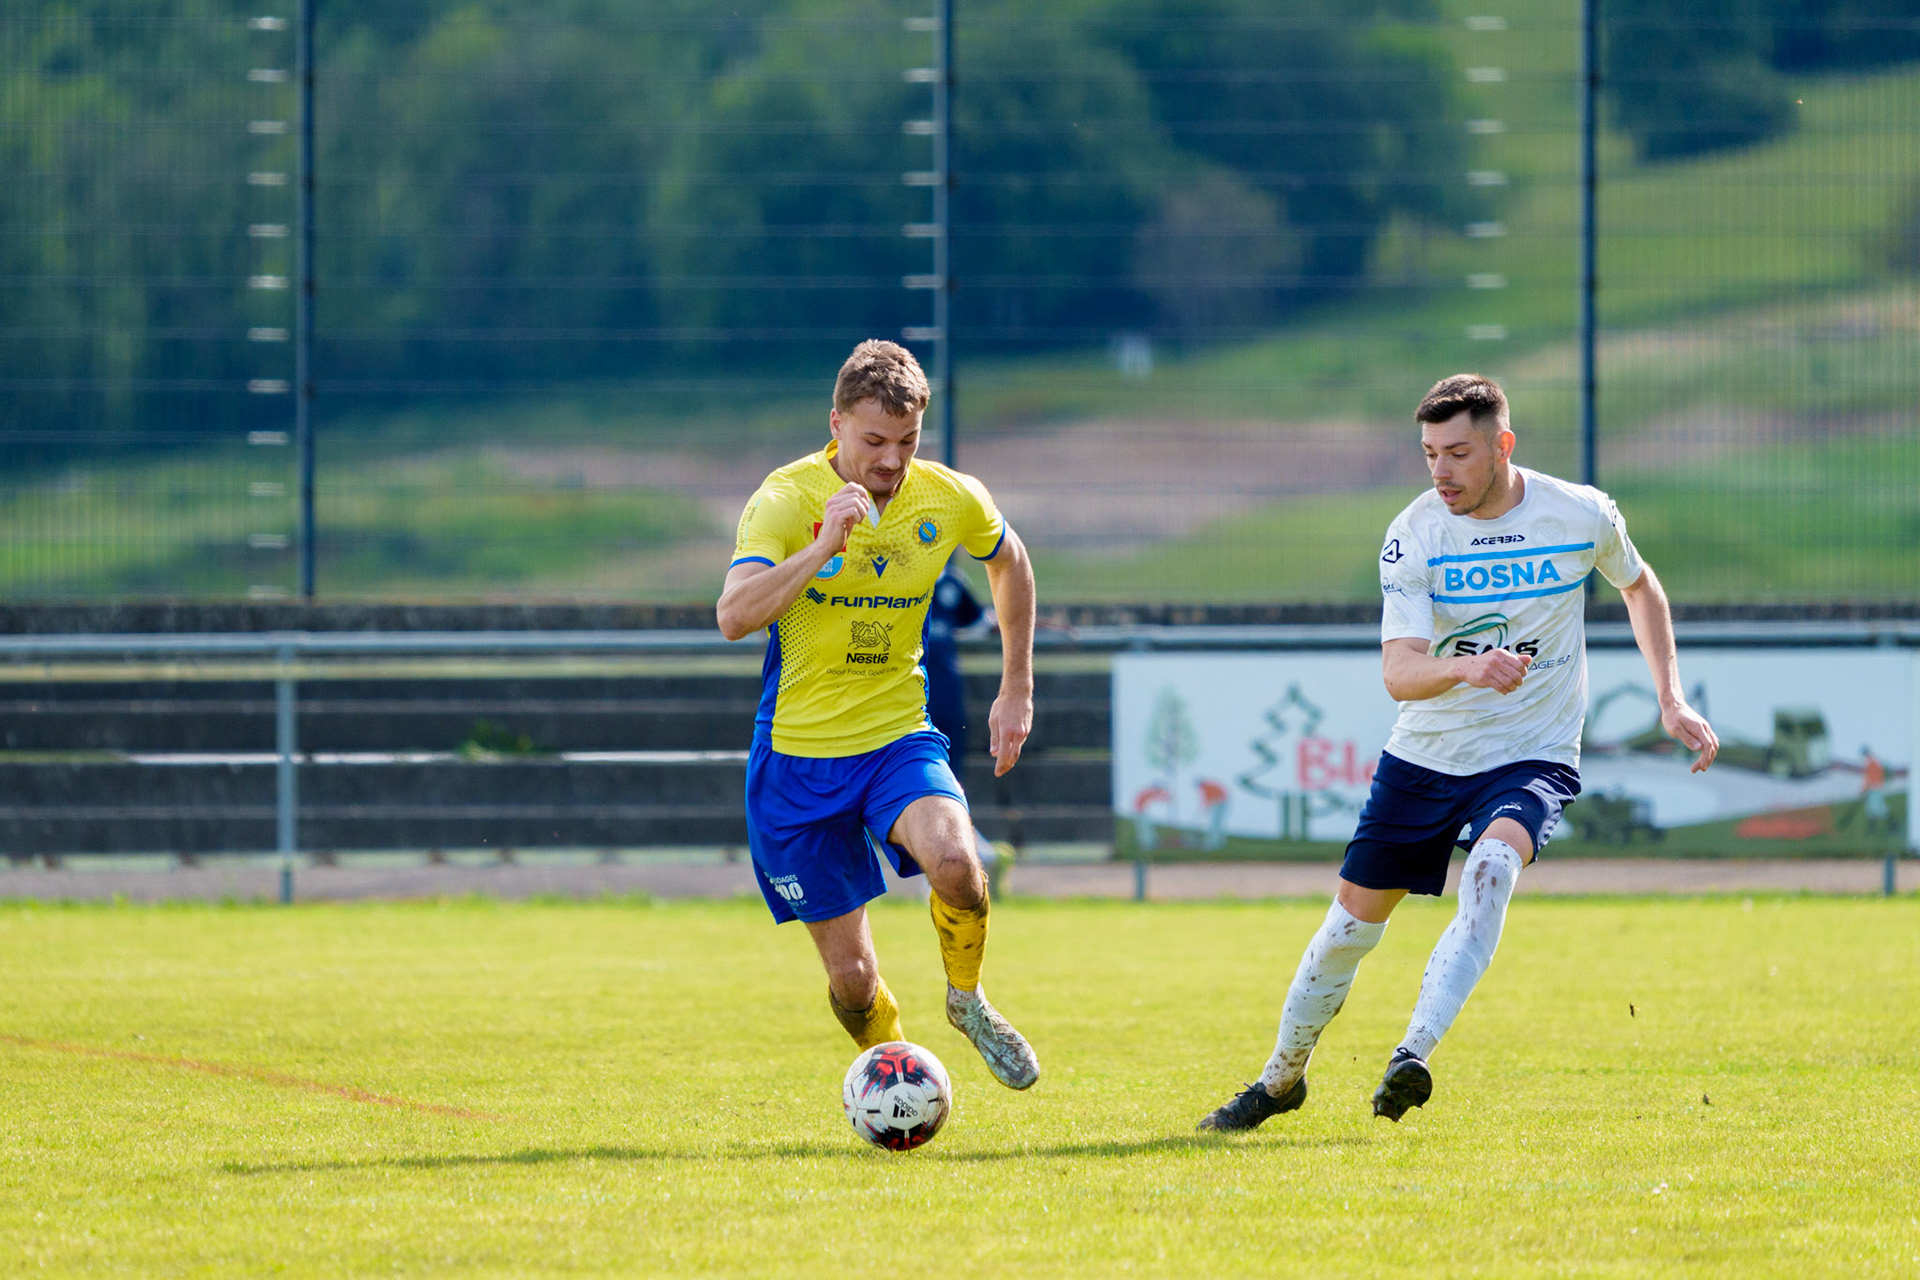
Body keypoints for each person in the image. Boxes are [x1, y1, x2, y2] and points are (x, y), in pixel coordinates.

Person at [1198, 373, 1720, 1131]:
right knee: (1347, 934)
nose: (1441, 471)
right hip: (1428, 757)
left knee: (1492, 867)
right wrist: (1466, 667)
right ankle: (1280, 1081)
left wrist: (1670, 697)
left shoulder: (1580, 514)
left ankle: (1412, 1053)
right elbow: (1398, 674)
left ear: (1502, 446)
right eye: (1429, 454)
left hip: (1533, 752)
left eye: (1459, 453)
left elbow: (1641, 588)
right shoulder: (1416, 534)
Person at [715, 340, 1040, 1090]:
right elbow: (734, 616)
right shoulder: (787, 500)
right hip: (796, 763)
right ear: (836, 425)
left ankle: (967, 1001)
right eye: (873, 442)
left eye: (906, 442)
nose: (892, 461)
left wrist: (1015, 686)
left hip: (896, 738)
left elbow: (1009, 559)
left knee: (959, 866)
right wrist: (824, 546)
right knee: (855, 983)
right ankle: (896, 1077)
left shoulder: (948, 497)